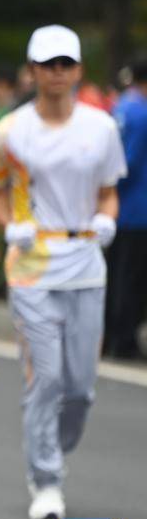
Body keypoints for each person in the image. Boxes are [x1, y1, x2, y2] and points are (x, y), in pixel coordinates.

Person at [0, 25, 126, 519]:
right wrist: (10, 224)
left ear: (79, 70)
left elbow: (109, 188)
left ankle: (53, 448)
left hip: (85, 265)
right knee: (46, 378)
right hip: (32, 267)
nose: (57, 72)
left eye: (66, 64)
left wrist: (107, 217)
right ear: (33, 70)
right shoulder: (12, 131)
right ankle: (46, 478)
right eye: (48, 64)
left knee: (80, 388)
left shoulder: (101, 128)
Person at [105, 56, 147, 359]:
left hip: (118, 207)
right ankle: (124, 340)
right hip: (139, 208)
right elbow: (128, 163)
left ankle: (110, 337)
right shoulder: (142, 113)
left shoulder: (120, 106)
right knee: (132, 278)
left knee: (117, 273)